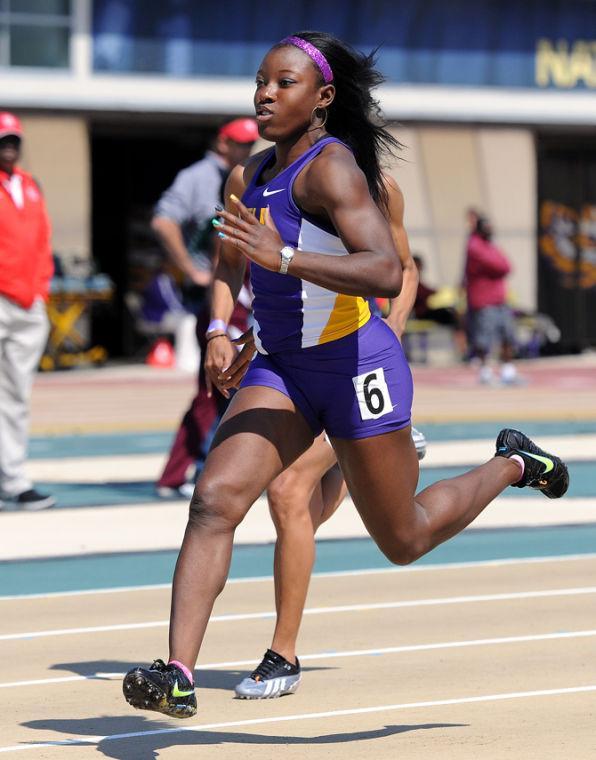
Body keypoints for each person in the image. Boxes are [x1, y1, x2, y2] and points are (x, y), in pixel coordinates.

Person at [123, 31, 569, 719]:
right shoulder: (248, 174)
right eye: (260, 81)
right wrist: (219, 328)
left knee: (405, 537)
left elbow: (387, 270)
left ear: (323, 98)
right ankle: (179, 672)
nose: (265, 94)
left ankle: (513, 463)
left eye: (284, 83)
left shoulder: (335, 172)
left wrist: (287, 258)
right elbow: (230, 262)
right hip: (281, 369)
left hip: (357, 364)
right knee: (214, 500)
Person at [229, 175, 426, 699]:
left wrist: (393, 332)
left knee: (288, 493)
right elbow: (281, 289)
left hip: (358, 364)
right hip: (295, 367)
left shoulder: (376, 187)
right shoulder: (268, 179)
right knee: (300, 504)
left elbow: (403, 268)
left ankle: (283, 655)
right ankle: (377, 452)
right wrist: (238, 334)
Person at [153, 118, 258, 498]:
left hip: (240, 293)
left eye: (250, 144)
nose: (245, 150)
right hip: (219, 295)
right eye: (239, 143)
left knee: (225, 387)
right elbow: (164, 221)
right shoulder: (200, 176)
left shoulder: (251, 173)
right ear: (222, 141)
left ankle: (191, 470)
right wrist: (190, 269)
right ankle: (190, 471)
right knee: (219, 386)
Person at [0, 112, 56, 511]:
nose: (9, 147)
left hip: (27, 303)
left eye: (14, 140)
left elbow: (42, 242)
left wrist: (40, 291)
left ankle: (13, 478)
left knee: (16, 395)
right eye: (3, 140)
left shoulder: (29, 185)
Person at [465, 215, 519, 385]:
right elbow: (499, 265)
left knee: (507, 335)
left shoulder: (490, 245)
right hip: (483, 301)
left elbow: (507, 266)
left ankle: (507, 370)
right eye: (487, 228)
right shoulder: (474, 246)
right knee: (484, 339)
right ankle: (485, 371)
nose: (490, 231)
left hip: (499, 299)